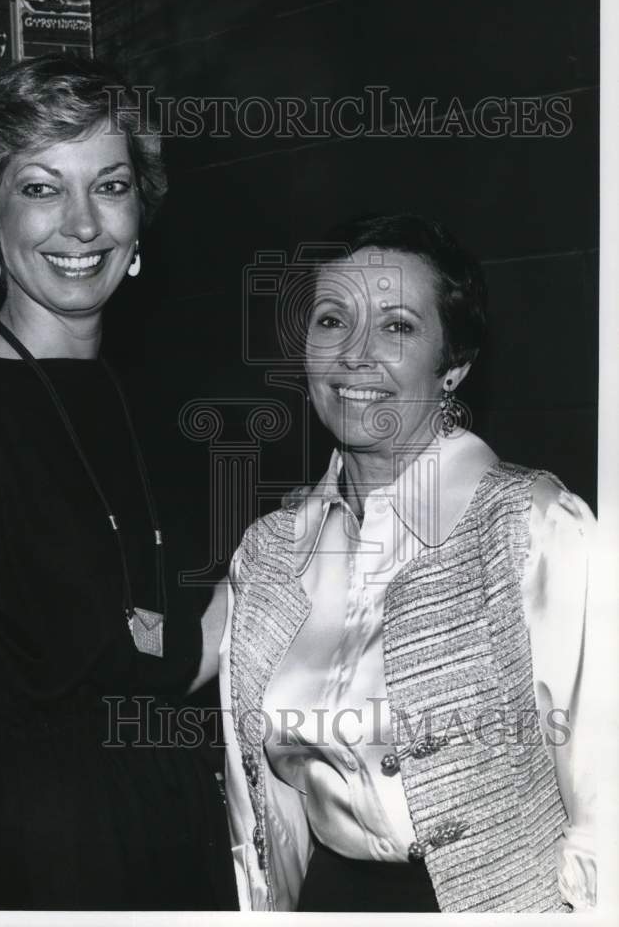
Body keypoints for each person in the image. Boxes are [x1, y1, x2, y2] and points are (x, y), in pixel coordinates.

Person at [0, 55, 234, 912]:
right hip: (28, 869)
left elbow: (191, 647)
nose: (83, 225)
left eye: (111, 185)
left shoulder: (168, 412)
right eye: (42, 189)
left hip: (185, 861)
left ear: (141, 213)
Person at [219, 213, 598, 913]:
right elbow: (259, 814)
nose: (356, 355)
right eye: (333, 320)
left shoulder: (535, 526)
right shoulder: (268, 554)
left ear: (453, 366)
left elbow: (607, 803)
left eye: (396, 326)